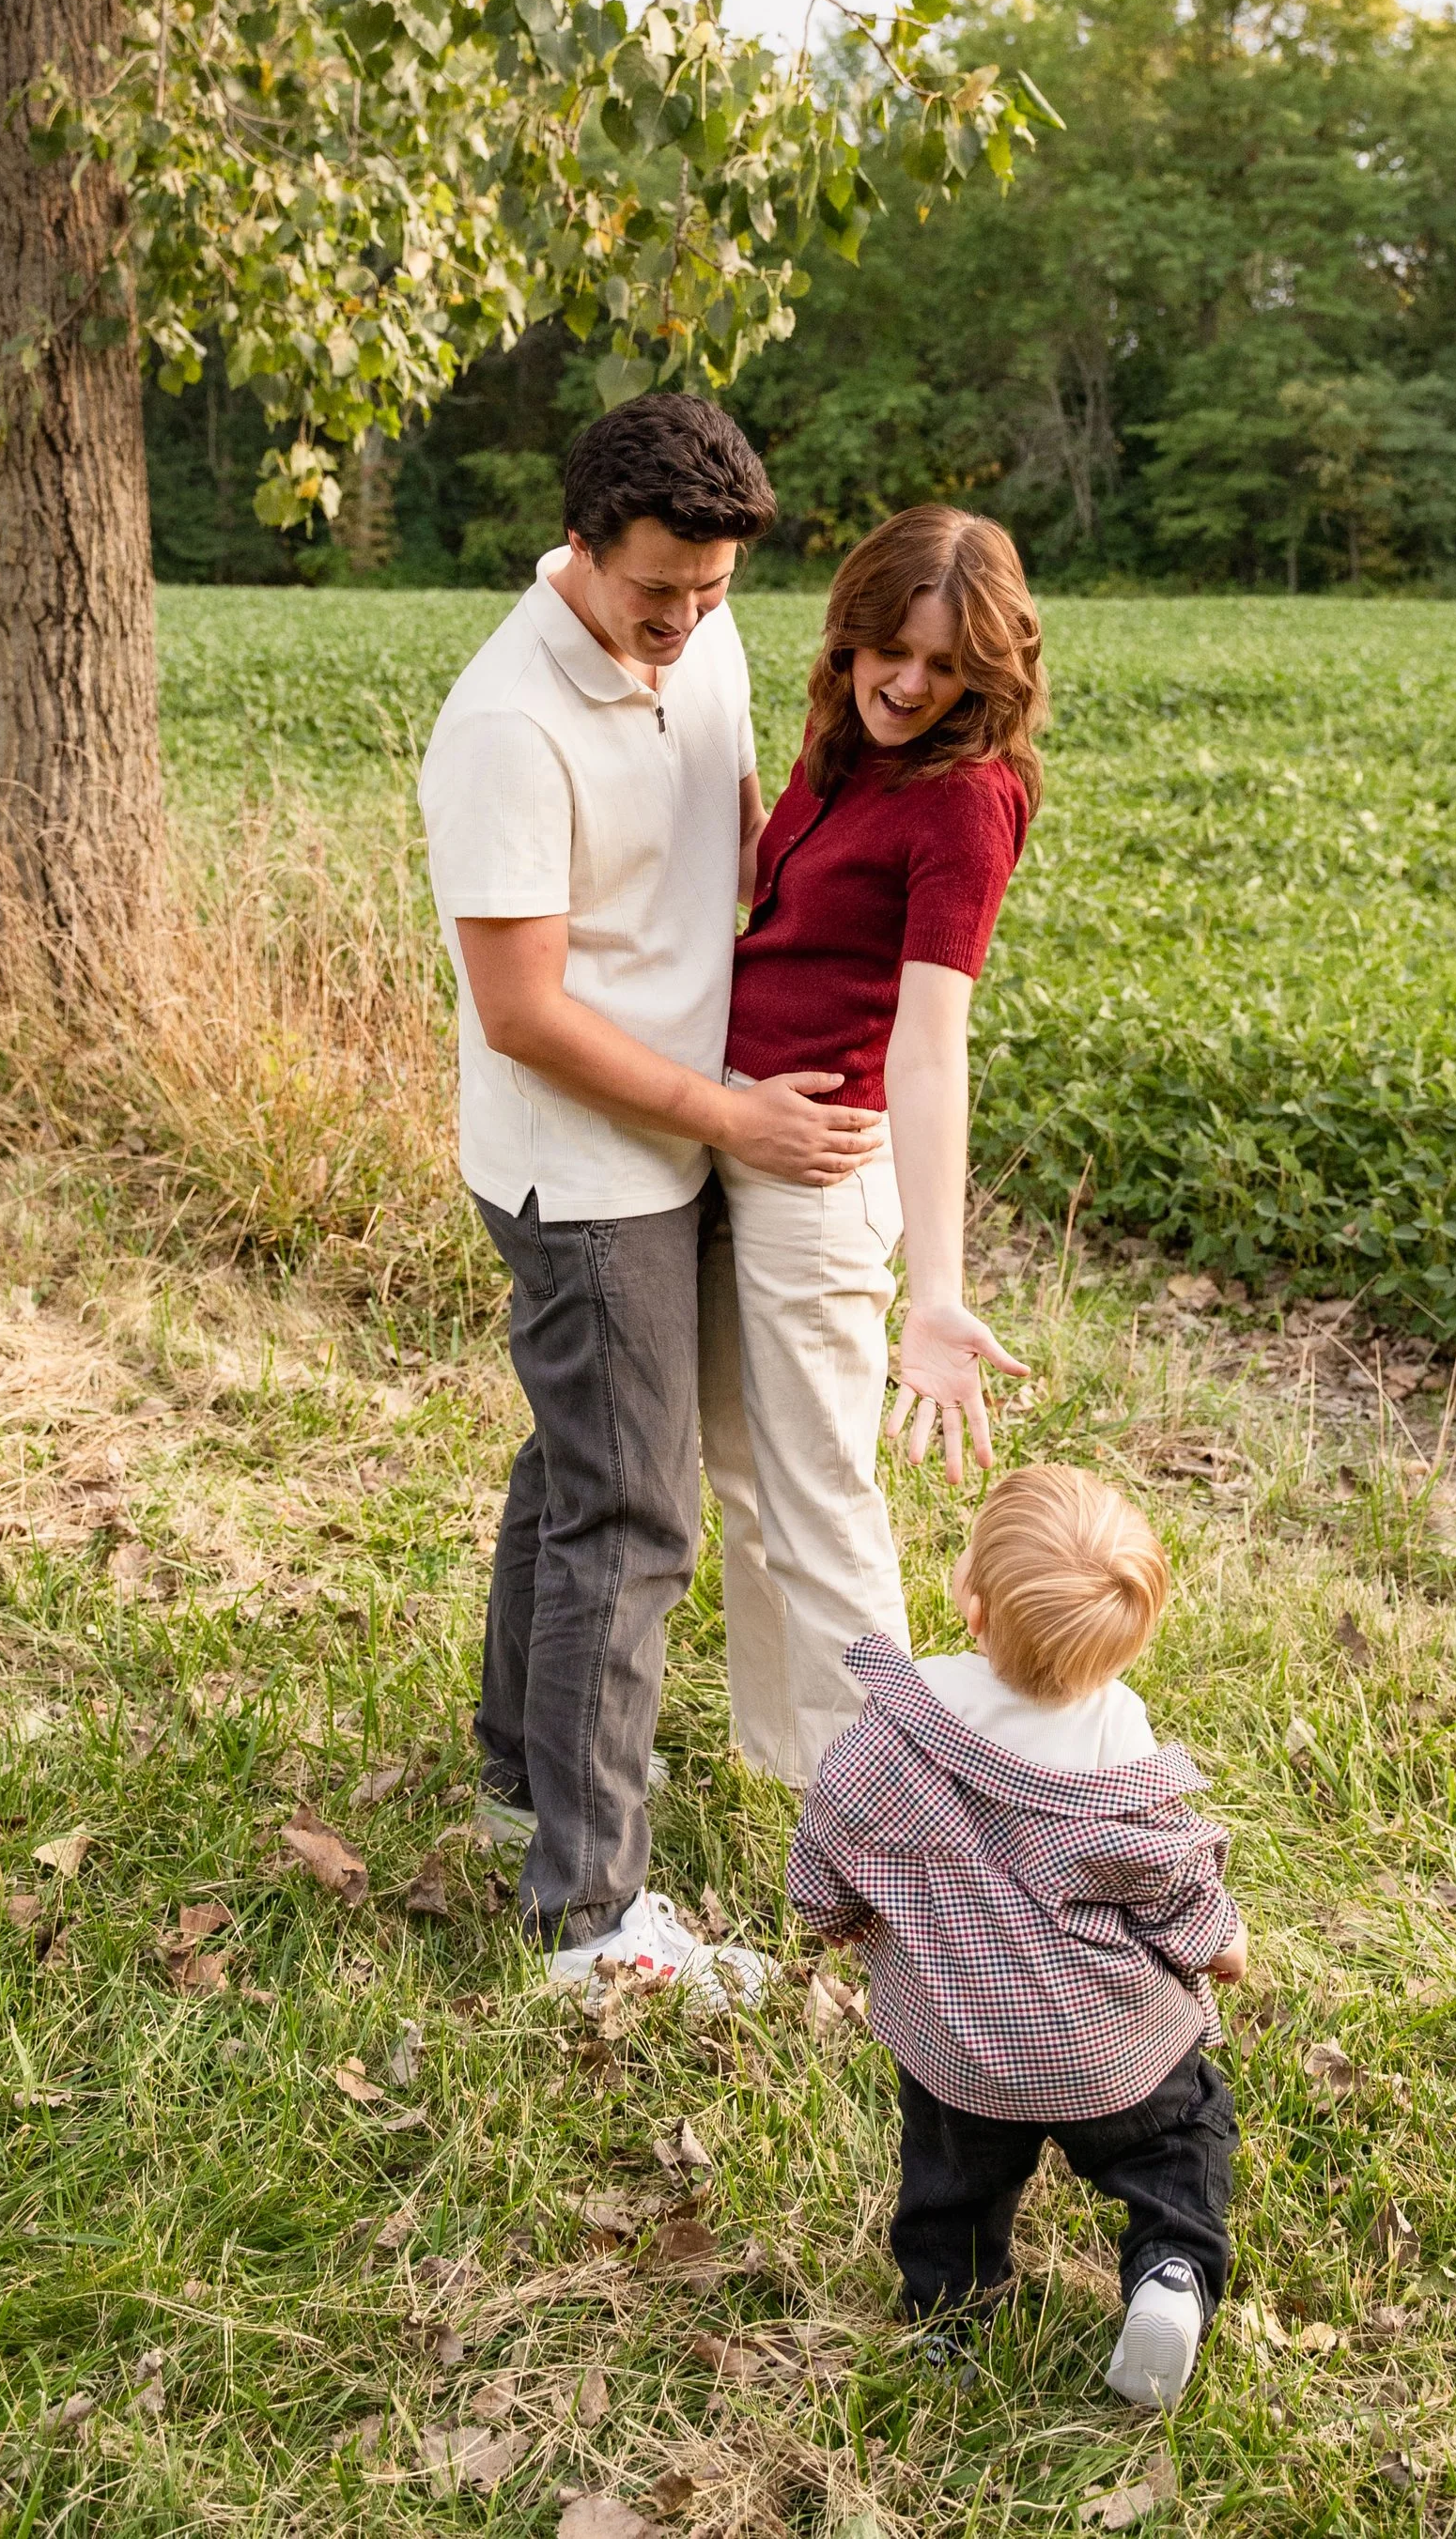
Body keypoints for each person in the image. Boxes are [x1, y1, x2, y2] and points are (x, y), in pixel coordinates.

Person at [417, 392, 882, 1982]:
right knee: (635, 1513)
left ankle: (513, 1773)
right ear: (580, 542)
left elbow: (733, 841)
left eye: (714, 590)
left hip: (692, 1133)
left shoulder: (712, 639)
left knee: (575, 1469)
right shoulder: (504, 725)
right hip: (583, 1167)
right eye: (653, 593)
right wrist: (733, 1118)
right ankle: (592, 1914)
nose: (685, 623)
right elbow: (525, 1011)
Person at [697, 505, 1045, 1788]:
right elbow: (772, 889)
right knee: (742, 1469)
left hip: (822, 1167)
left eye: (943, 665)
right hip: (734, 1122)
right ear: (850, 635)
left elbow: (930, 1042)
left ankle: (894, 1823)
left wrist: (938, 1291)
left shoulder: (966, 800)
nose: (907, 682)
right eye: (888, 648)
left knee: (823, 1498)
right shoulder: (842, 743)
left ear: (987, 671)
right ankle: (796, 1769)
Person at [787, 1465, 1245, 2406]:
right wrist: (1221, 1944)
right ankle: (1168, 2272)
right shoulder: (1119, 1744)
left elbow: (830, 1822)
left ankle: (949, 2324)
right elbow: (1171, 1881)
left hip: (960, 2047)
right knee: (1179, 2135)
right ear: (1125, 1649)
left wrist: (836, 1916)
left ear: (972, 1606)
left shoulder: (902, 1724)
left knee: (950, 2184)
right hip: (1107, 2046)